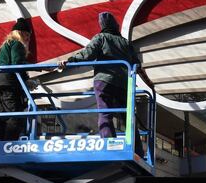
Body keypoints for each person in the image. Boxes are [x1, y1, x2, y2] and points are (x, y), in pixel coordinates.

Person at [59, 12, 153, 154]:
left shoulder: (101, 37)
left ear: (102, 25)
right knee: (128, 117)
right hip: (123, 84)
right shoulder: (126, 43)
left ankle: (109, 144)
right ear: (116, 25)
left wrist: (70, 61)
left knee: (105, 113)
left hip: (104, 81)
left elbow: (87, 54)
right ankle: (137, 150)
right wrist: (149, 83)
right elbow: (137, 65)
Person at [0, 17, 32, 141]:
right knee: (15, 118)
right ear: (20, 33)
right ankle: (8, 145)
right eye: (27, 35)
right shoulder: (17, 44)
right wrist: (38, 68)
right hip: (9, 84)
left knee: (3, 117)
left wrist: (26, 79)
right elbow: (17, 63)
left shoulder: (6, 45)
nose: (28, 39)